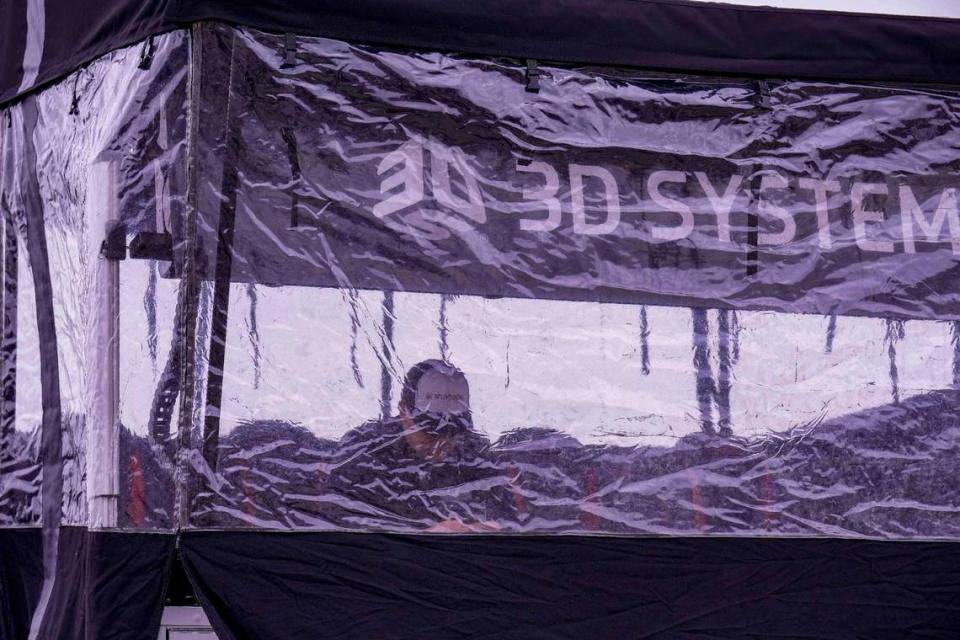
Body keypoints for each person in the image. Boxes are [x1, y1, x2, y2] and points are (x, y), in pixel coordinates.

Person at [327, 359, 513, 532]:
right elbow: (335, 522)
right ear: (403, 412)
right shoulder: (363, 450)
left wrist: (489, 528)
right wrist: (424, 535)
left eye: (451, 432)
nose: (441, 443)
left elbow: (508, 514)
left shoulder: (475, 453)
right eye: (430, 431)